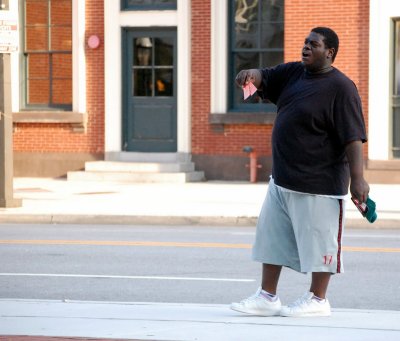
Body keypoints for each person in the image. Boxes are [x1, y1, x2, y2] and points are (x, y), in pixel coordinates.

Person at [231, 27, 370, 317]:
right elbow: (264, 76)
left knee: (320, 244)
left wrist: (358, 179)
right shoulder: (294, 73)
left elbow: (352, 137)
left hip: (319, 184)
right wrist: (249, 75)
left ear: (329, 52)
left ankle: (318, 299)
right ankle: (267, 296)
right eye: (305, 42)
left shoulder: (342, 88)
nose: (305, 47)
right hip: (282, 180)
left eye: (313, 44)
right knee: (271, 240)